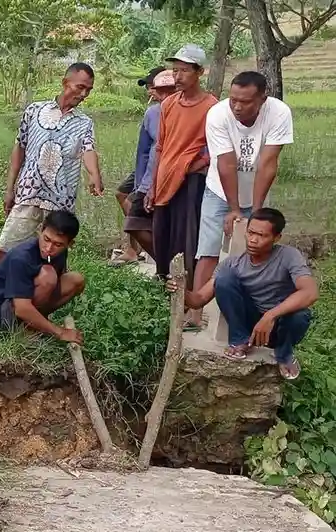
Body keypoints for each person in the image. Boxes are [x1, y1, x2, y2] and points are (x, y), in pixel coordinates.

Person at [173, 208, 315, 380]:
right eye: (250, 233)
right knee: (224, 278)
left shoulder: (288, 256)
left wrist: (270, 316)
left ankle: (284, 354)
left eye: (261, 235)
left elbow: (310, 292)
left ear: (277, 238)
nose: (253, 240)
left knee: (301, 314)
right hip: (250, 324)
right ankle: (240, 341)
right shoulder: (233, 264)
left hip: (280, 326)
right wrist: (180, 289)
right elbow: (199, 299)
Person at [0, 63, 103, 279]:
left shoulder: (84, 123)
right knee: (5, 251)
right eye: (80, 87)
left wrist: (94, 174)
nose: (84, 94)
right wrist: (9, 188)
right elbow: (19, 148)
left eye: (88, 89)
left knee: (54, 260)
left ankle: (44, 306)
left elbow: (88, 150)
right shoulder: (34, 111)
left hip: (60, 203)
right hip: (28, 196)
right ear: (65, 83)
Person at [145, 44, 218, 329]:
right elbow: (161, 147)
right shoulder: (168, 104)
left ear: (200, 72)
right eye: (175, 70)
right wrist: (153, 185)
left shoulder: (211, 106)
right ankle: (167, 301)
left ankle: (192, 309)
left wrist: (194, 166)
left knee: (188, 243)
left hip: (192, 183)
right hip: (165, 181)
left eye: (185, 70)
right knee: (163, 241)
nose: (178, 76)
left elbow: (213, 148)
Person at [202, 70, 293, 272]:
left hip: (256, 191)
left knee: (254, 251)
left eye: (245, 102)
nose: (237, 107)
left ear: (262, 99)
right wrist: (234, 209)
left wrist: (257, 212)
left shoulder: (279, 113)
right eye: (233, 100)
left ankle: (248, 300)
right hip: (219, 191)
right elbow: (226, 163)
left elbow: (268, 163)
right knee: (209, 250)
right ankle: (197, 303)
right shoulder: (218, 114)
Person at [0, 210, 86, 343]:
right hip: (1, 314)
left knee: (76, 280)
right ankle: (24, 329)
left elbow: (58, 282)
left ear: (70, 244)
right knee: (48, 276)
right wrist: (59, 332)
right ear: (40, 231)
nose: (49, 248)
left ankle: (34, 325)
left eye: (58, 244)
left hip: (24, 302)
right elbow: (21, 308)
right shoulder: (21, 257)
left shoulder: (60, 253)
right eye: (46, 239)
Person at [113, 67, 176, 265]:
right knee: (133, 213)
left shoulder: (185, 110)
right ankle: (155, 259)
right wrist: (142, 182)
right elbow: (144, 150)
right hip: (149, 171)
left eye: (154, 87)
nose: (152, 91)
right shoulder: (152, 113)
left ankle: (166, 263)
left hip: (173, 173)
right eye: (152, 88)